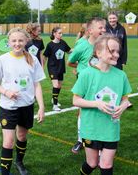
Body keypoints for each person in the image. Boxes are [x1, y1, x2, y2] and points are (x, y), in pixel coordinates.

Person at [72, 35, 132, 175]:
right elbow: (76, 100)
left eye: (118, 51)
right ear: (98, 52)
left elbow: (125, 98)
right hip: (91, 128)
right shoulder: (86, 74)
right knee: (92, 163)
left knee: (106, 164)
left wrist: (123, 106)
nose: (117, 54)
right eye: (112, 51)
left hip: (111, 128)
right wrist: (96, 104)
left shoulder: (120, 75)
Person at [0, 27, 45, 175]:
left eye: (20, 40)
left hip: (26, 106)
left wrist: (41, 107)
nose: (17, 43)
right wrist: (6, 92)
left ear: (26, 41)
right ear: (8, 42)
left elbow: (37, 84)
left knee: (22, 136)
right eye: (14, 40)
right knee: (8, 142)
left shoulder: (32, 59)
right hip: (9, 107)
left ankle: (19, 162)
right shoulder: (1, 60)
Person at [68, 17, 106, 154]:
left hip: (101, 82)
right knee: (83, 111)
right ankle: (80, 139)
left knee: (101, 110)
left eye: (104, 27)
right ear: (90, 31)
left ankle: (101, 140)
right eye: (100, 28)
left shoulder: (105, 45)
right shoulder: (82, 45)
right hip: (85, 83)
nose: (104, 30)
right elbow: (70, 62)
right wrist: (81, 70)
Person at [43, 26, 71, 111]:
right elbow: (45, 57)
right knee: (55, 85)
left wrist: (79, 49)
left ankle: (53, 99)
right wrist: (42, 67)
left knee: (59, 86)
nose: (61, 34)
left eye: (62, 33)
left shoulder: (63, 43)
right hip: (52, 68)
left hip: (61, 67)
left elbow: (69, 51)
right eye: (59, 33)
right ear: (54, 34)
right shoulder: (50, 45)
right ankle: (55, 105)